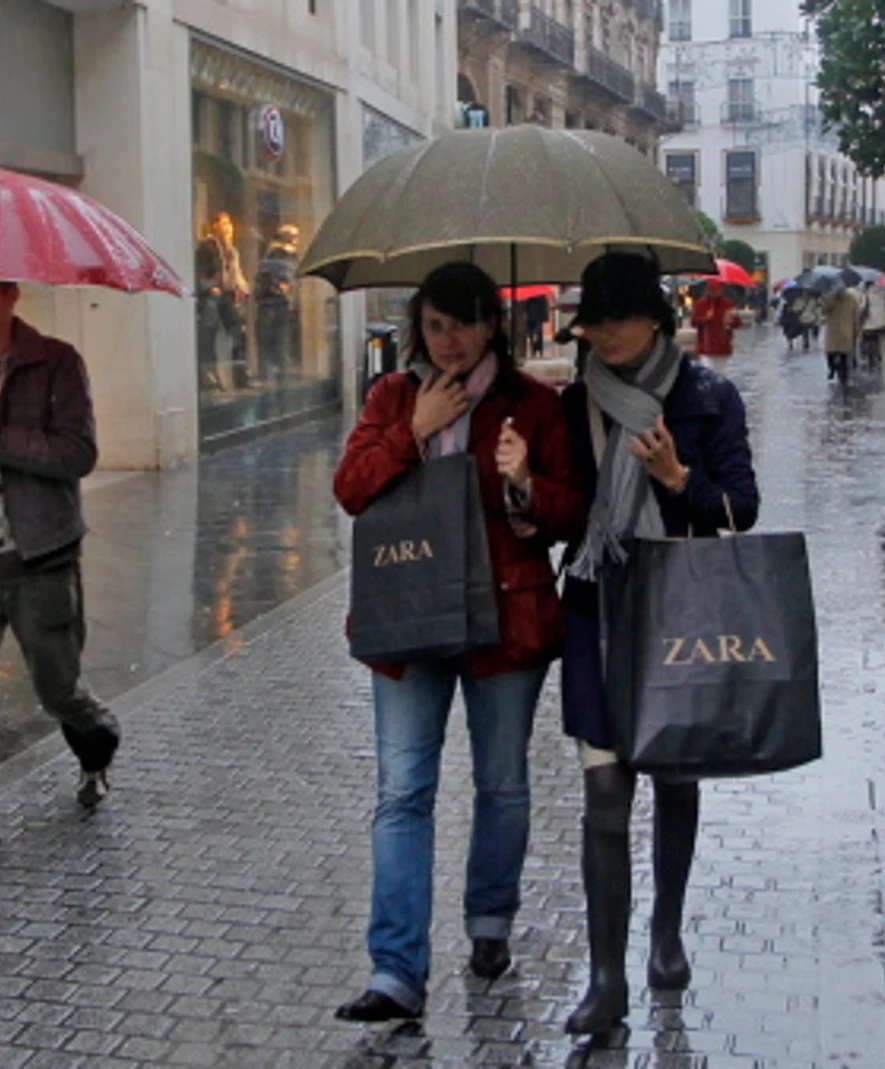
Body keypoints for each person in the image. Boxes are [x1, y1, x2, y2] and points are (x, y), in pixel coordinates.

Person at [331, 263, 584, 1024]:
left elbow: (572, 510)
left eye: (465, 324)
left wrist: (524, 485)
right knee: (402, 789)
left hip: (504, 617)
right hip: (410, 616)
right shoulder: (391, 397)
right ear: (419, 324)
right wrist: (410, 432)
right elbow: (350, 488)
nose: (449, 340)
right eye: (436, 324)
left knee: (500, 781)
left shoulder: (532, 404)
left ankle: (489, 922)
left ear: (491, 327)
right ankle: (395, 968)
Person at [555, 252, 761, 1036]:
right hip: (597, 609)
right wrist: (520, 495)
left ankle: (666, 931)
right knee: (605, 793)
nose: (602, 333)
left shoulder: (710, 397)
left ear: (654, 319)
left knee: (674, 775)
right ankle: (607, 979)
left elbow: (741, 508)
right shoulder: (576, 404)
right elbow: (566, 514)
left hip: (682, 611)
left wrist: (679, 479)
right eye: (593, 321)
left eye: (617, 317)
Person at [0, 281, 122, 884]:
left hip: (39, 556)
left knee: (58, 689)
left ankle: (98, 741)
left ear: (9, 296)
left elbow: (78, 453)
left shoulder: (56, 362)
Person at [195, 211, 251, 391]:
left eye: (230, 224)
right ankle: (209, 375)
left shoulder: (231, 250)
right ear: (214, 226)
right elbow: (200, 271)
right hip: (213, 295)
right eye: (224, 224)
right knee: (208, 335)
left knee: (237, 332)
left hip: (227, 294)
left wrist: (242, 287)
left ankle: (241, 375)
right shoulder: (207, 247)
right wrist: (209, 286)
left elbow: (236, 272)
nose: (229, 228)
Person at [254, 223, 302, 383]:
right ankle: (277, 373)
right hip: (273, 300)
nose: (297, 240)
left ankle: (272, 373)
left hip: (274, 300)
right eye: (294, 236)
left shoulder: (276, 254)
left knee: (274, 339)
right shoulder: (278, 254)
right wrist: (283, 286)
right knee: (275, 338)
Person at [822, 284, 862, 382]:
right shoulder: (834, 299)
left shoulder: (847, 299)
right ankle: (836, 371)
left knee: (835, 354)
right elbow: (824, 311)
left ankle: (836, 372)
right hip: (841, 332)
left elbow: (824, 311)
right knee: (836, 354)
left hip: (839, 332)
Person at [690, 283, 736, 362]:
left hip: (723, 348)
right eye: (712, 289)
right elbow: (693, 322)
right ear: (708, 290)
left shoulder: (728, 304)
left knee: (720, 373)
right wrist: (706, 319)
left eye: (717, 289)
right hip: (705, 347)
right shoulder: (700, 304)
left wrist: (731, 320)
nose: (715, 292)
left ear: (722, 290)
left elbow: (737, 324)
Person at [860, 282, 885, 366]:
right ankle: (878, 355)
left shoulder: (866, 295)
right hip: (881, 321)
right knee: (878, 339)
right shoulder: (882, 293)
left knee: (868, 339)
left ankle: (868, 355)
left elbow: (862, 307)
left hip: (869, 321)